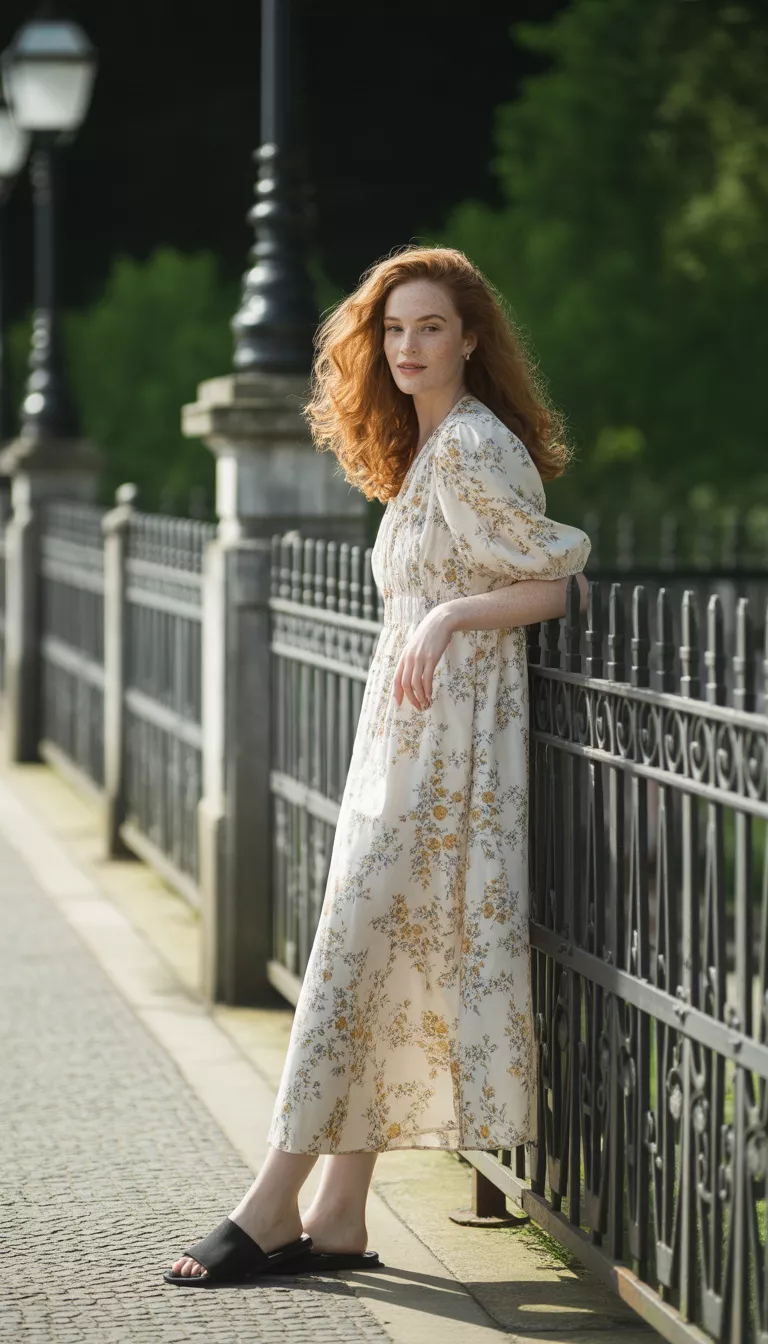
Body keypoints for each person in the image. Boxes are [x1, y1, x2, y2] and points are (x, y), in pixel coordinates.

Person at [164, 245, 591, 1286]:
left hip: (450, 760)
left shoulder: (475, 447)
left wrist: (450, 613)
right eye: (394, 329)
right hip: (406, 744)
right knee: (375, 969)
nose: (408, 346)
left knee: (353, 961)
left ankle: (273, 1202)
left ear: (471, 339)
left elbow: (559, 583)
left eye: (431, 328)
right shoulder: (427, 447)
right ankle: (341, 1217)